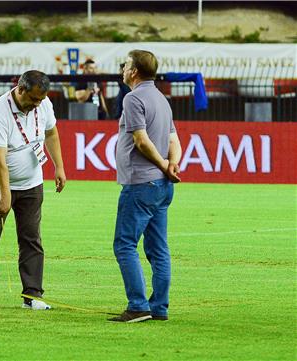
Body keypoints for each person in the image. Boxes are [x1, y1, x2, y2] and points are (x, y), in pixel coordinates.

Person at [0, 70, 66, 311]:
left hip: (31, 181)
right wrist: (5, 195)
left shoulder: (44, 103)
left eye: (41, 100)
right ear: (20, 89)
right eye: (33, 99)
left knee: (31, 239)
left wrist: (59, 167)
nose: (37, 104)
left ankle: (32, 295)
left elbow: (51, 133)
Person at [109, 50, 182, 323]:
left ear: (135, 71)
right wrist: (172, 166)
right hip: (163, 186)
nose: (123, 69)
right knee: (158, 249)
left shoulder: (133, 98)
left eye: (126, 65)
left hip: (140, 182)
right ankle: (159, 307)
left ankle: (138, 306)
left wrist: (164, 165)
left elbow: (140, 140)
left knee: (124, 244)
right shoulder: (162, 99)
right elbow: (174, 139)